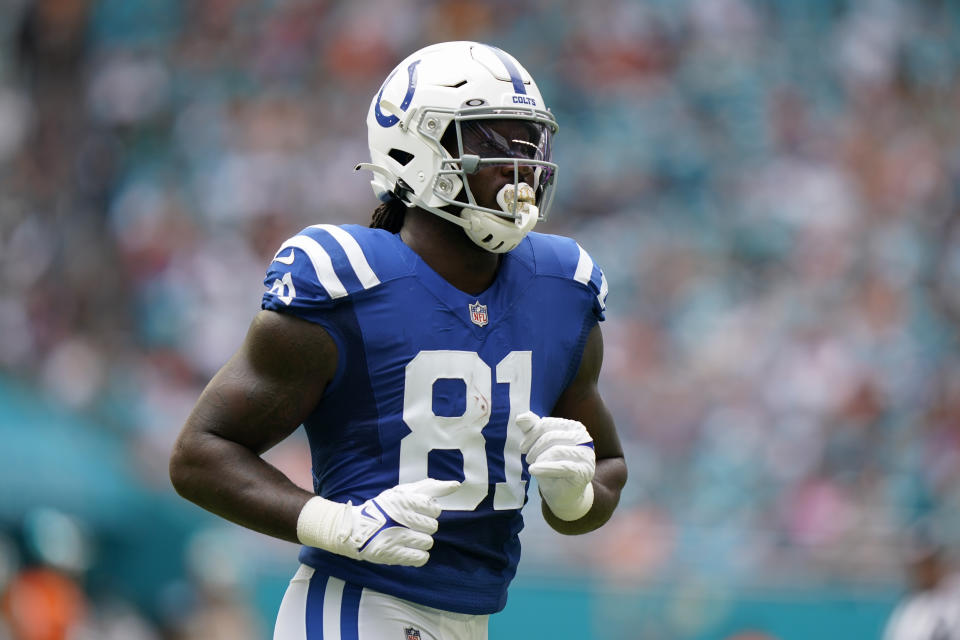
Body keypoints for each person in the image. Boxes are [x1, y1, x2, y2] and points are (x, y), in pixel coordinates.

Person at [169, 40, 628, 639]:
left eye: (530, 142)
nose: (523, 167)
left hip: (472, 621)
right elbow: (200, 454)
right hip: (357, 610)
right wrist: (337, 525)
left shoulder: (560, 288)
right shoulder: (348, 280)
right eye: (493, 141)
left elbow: (609, 468)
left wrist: (572, 497)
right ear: (415, 149)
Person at [883, 528, 960, 640]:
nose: (924, 572)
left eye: (929, 563)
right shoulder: (910, 608)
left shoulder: (954, 594)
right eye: (920, 566)